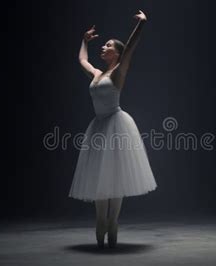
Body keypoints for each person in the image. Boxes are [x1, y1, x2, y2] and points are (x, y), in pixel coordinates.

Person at [69, 10, 158, 249]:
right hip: (98, 126)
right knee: (100, 174)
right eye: (104, 44)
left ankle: (113, 221)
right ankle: (100, 220)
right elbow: (82, 61)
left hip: (116, 125)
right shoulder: (97, 73)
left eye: (108, 45)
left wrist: (141, 24)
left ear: (116, 54)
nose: (104, 47)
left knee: (116, 175)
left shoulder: (119, 71)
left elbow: (130, 47)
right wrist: (84, 41)